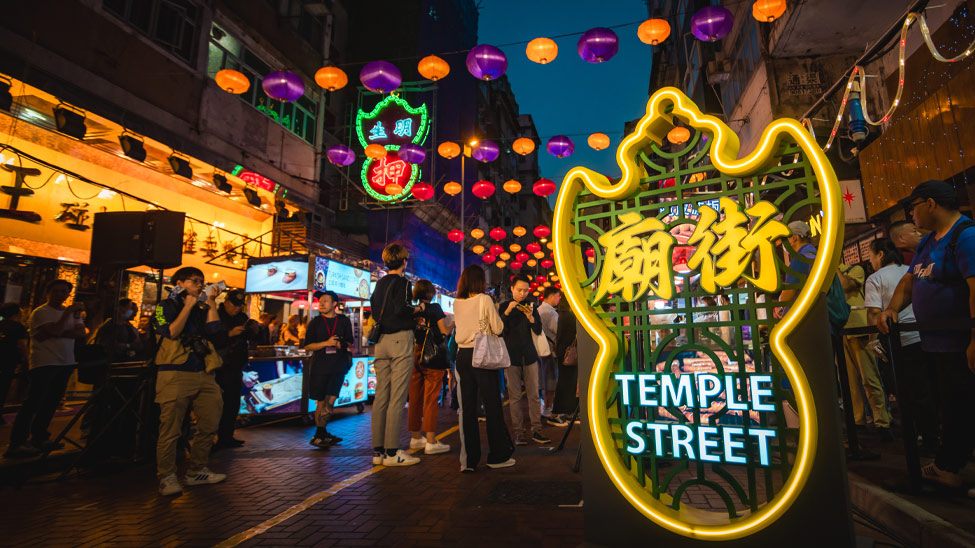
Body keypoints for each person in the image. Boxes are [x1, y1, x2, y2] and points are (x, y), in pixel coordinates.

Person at [878, 179, 975, 488]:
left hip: (961, 342)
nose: (911, 215)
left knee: (964, 405)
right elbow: (909, 281)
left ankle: (950, 466)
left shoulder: (966, 236)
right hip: (936, 343)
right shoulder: (929, 241)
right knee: (953, 406)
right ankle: (949, 466)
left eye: (913, 207)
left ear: (930, 204)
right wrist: (892, 308)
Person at [152, 267, 226, 496]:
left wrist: (211, 301)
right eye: (195, 281)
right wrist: (187, 306)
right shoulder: (165, 307)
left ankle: (197, 470)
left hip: (203, 371)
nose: (200, 285)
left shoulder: (202, 307)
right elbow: (172, 331)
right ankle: (167, 477)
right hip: (174, 373)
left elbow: (214, 329)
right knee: (170, 429)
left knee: (210, 423)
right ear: (179, 283)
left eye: (202, 282)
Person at [865, 237, 938, 451]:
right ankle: (936, 435)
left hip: (900, 342)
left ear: (880, 255)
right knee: (930, 389)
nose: (870, 261)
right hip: (925, 336)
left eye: (870, 256)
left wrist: (873, 342)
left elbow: (873, 312)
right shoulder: (911, 269)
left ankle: (924, 440)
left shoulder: (875, 278)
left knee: (908, 393)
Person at [4, 280, 87, 458]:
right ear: (48, 292)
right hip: (45, 362)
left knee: (51, 403)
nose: (59, 294)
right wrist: (65, 318)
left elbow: (80, 332)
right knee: (33, 402)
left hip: (65, 361)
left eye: (63, 291)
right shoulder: (41, 312)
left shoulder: (74, 313)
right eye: (55, 291)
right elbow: (55, 330)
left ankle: (40, 437)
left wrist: (55, 332)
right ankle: (17, 442)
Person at [453, 265, 514, 471]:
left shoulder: (457, 303)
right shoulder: (484, 300)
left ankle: (469, 461)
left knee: (468, 409)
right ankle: (497, 455)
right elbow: (498, 328)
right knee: (492, 406)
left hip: (462, 356)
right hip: (481, 354)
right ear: (480, 281)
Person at [369, 244, 424, 466]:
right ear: (403, 262)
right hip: (400, 341)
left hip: (380, 342)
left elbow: (376, 310)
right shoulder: (402, 282)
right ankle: (392, 453)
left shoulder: (379, 283)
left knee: (381, 396)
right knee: (397, 397)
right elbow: (402, 308)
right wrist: (418, 310)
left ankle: (378, 452)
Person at [838, 263, 892, 440]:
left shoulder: (854, 269)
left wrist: (833, 268)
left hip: (859, 329)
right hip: (841, 330)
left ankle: (882, 421)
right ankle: (858, 419)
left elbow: (845, 285)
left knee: (869, 377)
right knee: (849, 380)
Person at [500, 274, 550, 446]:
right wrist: (507, 312)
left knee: (534, 395)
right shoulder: (504, 306)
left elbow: (538, 330)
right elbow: (499, 329)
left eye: (526, 290)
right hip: (511, 357)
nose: (522, 293)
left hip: (529, 355)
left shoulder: (531, 306)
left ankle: (536, 430)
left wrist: (531, 318)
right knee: (514, 397)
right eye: (519, 290)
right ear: (512, 289)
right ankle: (519, 432)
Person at [303, 290, 354, 448]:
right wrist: (327, 343)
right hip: (319, 367)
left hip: (338, 366)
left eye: (325, 301)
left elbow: (350, 342)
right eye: (320, 301)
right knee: (321, 402)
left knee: (330, 401)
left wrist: (340, 344)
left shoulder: (344, 321)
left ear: (334, 304)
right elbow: (308, 346)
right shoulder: (315, 322)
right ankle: (320, 433)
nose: (322, 303)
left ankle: (321, 433)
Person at [408, 280, 451, 455]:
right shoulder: (434, 308)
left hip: (414, 352)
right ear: (431, 294)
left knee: (415, 396)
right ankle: (431, 441)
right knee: (431, 397)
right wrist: (452, 325)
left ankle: (416, 437)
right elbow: (444, 331)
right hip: (432, 354)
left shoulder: (412, 310)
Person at [213, 289, 261, 449]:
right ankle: (212, 439)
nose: (237, 308)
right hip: (218, 367)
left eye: (240, 305)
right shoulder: (216, 315)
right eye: (234, 305)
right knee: (216, 405)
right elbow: (211, 338)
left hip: (235, 366)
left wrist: (253, 329)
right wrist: (229, 334)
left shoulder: (241, 318)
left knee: (232, 403)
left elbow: (252, 337)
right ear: (226, 302)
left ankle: (226, 436)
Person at [774, 221, 817, 319]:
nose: (783, 244)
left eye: (786, 239)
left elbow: (787, 297)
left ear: (794, 238)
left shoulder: (800, 259)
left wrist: (780, 301)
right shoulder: (816, 255)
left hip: (804, 317)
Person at [537, 287, 566, 426]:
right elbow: (558, 331)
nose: (558, 299)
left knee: (545, 377)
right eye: (557, 296)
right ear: (552, 296)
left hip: (541, 349)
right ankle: (549, 409)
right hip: (550, 350)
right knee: (551, 379)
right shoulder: (550, 312)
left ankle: (547, 408)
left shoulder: (539, 310)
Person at [0, 303, 28, 425]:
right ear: (17, 313)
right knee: (3, 389)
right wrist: (26, 361)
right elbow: (22, 346)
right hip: (8, 362)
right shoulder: (19, 327)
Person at [91, 298, 143, 363]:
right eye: (129, 308)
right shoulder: (110, 326)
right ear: (120, 309)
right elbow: (109, 346)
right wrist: (127, 347)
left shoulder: (128, 327)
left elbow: (138, 344)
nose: (131, 312)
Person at [552, 297, 579, 420]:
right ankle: (564, 412)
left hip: (562, 352)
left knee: (565, 383)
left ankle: (563, 411)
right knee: (568, 383)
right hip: (568, 353)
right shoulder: (568, 315)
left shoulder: (562, 314)